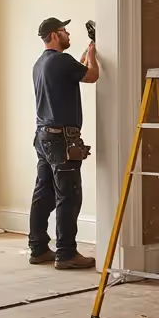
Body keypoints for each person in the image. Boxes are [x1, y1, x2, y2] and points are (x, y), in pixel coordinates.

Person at [29, 17, 99, 269]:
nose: (68, 34)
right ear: (54, 35)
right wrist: (92, 56)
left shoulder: (41, 63)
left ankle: (38, 249)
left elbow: (76, 70)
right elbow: (92, 75)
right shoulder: (62, 61)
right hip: (61, 139)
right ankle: (66, 253)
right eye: (64, 31)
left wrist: (86, 54)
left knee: (43, 194)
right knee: (68, 196)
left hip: (43, 137)